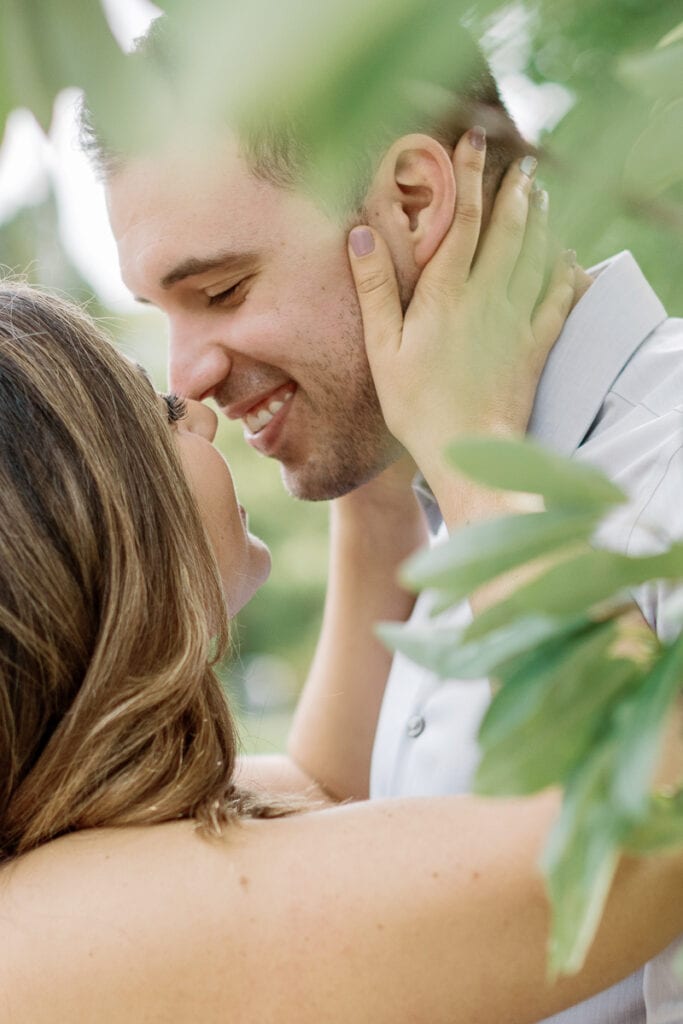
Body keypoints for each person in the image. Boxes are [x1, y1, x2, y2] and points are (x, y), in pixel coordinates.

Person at [83, 16, 683, 1020]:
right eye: (163, 309)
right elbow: (342, 799)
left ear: (412, 204)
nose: (184, 374)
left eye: (222, 289)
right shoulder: (459, 523)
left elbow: (646, 823)